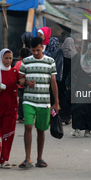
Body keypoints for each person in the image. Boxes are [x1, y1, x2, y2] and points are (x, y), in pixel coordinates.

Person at [18, 36, 60, 168]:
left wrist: (56, 102)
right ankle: (27, 158)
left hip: (44, 102)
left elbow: (53, 82)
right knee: (28, 126)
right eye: (33, 50)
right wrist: (26, 82)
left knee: (41, 130)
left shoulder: (50, 61)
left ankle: (39, 158)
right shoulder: (26, 61)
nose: (35, 53)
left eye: (37, 50)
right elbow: (20, 80)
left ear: (42, 47)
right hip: (28, 101)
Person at [71, 42, 91, 137]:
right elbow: (74, 72)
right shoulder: (80, 59)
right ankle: (77, 128)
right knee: (78, 107)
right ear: (88, 49)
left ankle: (88, 129)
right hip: (81, 87)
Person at [59, 37, 78, 124]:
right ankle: (68, 117)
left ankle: (63, 116)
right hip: (71, 80)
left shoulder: (60, 53)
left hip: (62, 79)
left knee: (62, 97)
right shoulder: (75, 55)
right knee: (69, 98)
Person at [14, 47, 31, 123]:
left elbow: (15, 73)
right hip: (28, 85)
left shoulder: (18, 63)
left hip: (20, 86)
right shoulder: (30, 63)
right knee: (28, 101)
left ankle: (20, 117)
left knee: (21, 101)